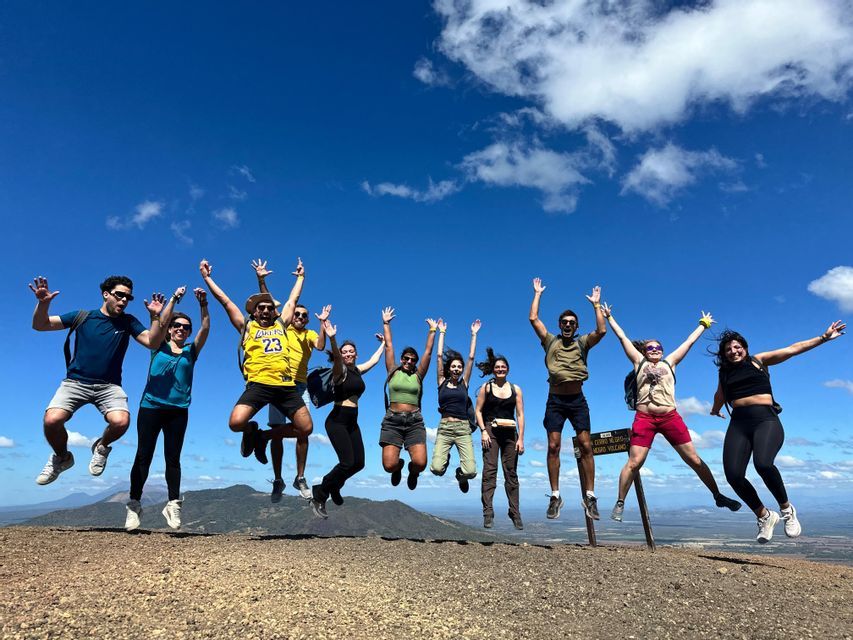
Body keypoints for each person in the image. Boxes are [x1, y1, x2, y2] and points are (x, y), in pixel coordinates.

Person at [601, 305, 741, 521]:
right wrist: (609, 317)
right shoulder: (639, 363)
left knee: (693, 459)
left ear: (663, 350)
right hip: (644, 418)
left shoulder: (670, 362)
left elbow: (689, 342)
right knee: (634, 462)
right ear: (644, 352)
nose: (655, 349)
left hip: (669, 417)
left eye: (658, 347)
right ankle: (620, 502)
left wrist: (702, 325)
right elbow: (622, 338)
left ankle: (717, 495)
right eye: (650, 348)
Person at [710, 321, 846, 543]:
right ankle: (764, 516)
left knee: (763, 464)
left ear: (744, 347)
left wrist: (823, 337)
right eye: (728, 350)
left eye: (737, 347)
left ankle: (786, 510)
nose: (734, 351)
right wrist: (715, 410)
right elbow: (720, 395)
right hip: (739, 424)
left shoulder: (759, 361)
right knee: (733, 475)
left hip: (766, 420)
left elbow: (793, 349)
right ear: (724, 355)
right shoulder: (724, 373)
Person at [31, 275, 171, 485]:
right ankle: (62, 458)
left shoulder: (128, 322)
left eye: (128, 298)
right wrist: (43, 304)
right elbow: (41, 325)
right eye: (119, 295)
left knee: (121, 422)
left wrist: (154, 317)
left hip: (109, 386)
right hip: (75, 383)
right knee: (52, 420)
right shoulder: (83, 316)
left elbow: (152, 342)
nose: (124, 301)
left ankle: (102, 447)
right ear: (106, 294)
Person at [199, 258, 312, 462]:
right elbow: (225, 301)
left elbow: (293, 300)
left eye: (270, 308)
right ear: (254, 311)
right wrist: (207, 277)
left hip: (285, 385)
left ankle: (262, 437)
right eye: (262, 308)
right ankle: (251, 429)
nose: (267, 311)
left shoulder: (281, 325)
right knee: (235, 423)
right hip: (258, 385)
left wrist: (301, 277)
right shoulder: (247, 326)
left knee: (305, 428)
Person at [125, 284, 210, 531]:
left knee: (173, 458)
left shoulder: (191, 351)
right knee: (143, 455)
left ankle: (173, 504)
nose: (182, 330)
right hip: (151, 407)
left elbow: (205, 327)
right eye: (177, 326)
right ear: (171, 330)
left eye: (186, 327)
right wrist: (174, 299)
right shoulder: (158, 346)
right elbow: (159, 326)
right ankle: (134, 505)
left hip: (178, 410)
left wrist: (203, 303)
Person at [253, 259, 330, 502]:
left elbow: (320, 346)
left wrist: (322, 323)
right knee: (277, 430)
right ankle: (278, 479)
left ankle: (300, 477)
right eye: (297, 314)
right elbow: (272, 306)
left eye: (304, 316)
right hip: (278, 383)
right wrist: (262, 280)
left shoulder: (309, 333)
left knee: (303, 431)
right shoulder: (281, 328)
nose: (299, 317)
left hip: (300, 386)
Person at [529, 278, 606, 520]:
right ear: (559, 324)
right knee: (553, 447)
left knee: (586, 446)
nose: (567, 325)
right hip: (555, 401)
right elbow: (533, 319)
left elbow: (602, 331)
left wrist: (596, 305)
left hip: (577, 401)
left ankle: (590, 497)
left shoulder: (582, 343)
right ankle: (554, 496)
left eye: (572, 323)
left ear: (576, 326)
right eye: (564, 322)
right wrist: (538, 294)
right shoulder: (550, 341)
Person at [310, 320, 386, 518]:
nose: (348, 354)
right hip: (337, 420)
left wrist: (384, 343)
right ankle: (320, 492)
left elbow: (374, 360)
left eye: (351, 351)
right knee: (346, 462)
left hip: (352, 421)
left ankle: (335, 486)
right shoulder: (339, 371)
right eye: (345, 352)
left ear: (356, 354)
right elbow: (336, 358)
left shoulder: (357, 371)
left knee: (358, 463)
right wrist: (333, 338)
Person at [379, 307, 437, 490]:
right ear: (401, 359)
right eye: (406, 358)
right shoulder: (392, 371)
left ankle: (413, 471)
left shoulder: (418, 375)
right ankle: (400, 467)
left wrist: (433, 330)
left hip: (414, 422)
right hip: (392, 421)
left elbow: (428, 353)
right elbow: (389, 345)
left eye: (413, 359)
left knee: (420, 463)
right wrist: (386, 323)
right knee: (389, 466)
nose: (409, 362)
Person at [474, 348, 525, 530]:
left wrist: (521, 439)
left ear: (508, 369)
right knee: (490, 471)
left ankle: (515, 512)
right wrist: (483, 431)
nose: (500, 369)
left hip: (510, 432)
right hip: (491, 430)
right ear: (493, 370)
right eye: (497, 367)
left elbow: (520, 414)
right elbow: (478, 410)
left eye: (503, 367)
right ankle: (488, 513)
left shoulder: (515, 389)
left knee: (511, 473)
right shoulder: (486, 388)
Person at [429, 319, 481, 493]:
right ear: (449, 368)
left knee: (471, 472)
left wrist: (474, 334)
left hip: (462, 429)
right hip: (444, 428)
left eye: (460, 366)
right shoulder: (441, 382)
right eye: (454, 366)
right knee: (436, 469)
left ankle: (460, 475)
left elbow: (471, 358)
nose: (458, 369)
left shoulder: (463, 384)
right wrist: (441, 332)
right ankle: (446, 459)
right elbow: (437, 357)